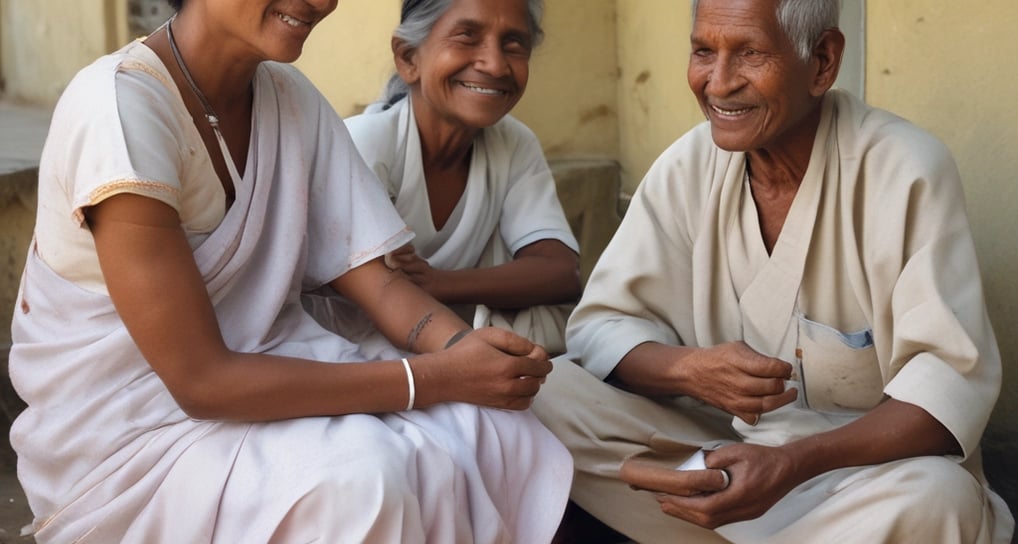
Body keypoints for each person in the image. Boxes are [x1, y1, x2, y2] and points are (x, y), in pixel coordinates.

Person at [8, 0, 572, 542]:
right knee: (360, 484)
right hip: (134, 430)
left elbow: (376, 281)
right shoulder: (118, 108)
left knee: (502, 431)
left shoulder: (287, 97)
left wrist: (470, 354)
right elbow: (201, 382)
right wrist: (435, 378)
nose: (321, 2)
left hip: (278, 367)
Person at [531, 0, 1015, 542]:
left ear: (823, 61)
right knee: (549, 396)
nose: (717, 83)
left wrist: (792, 466)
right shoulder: (686, 168)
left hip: (854, 478)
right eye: (702, 51)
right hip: (724, 456)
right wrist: (687, 369)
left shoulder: (902, 170)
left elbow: (948, 390)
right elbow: (602, 328)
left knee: (938, 500)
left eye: (750, 54)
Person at [304, 0, 581, 357]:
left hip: (460, 348)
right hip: (357, 356)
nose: (495, 64)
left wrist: (438, 283)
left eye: (513, 44)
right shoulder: (363, 145)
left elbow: (561, 272)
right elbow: (379, 290)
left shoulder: (514, 144)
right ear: (408, 58)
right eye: (467, 37)